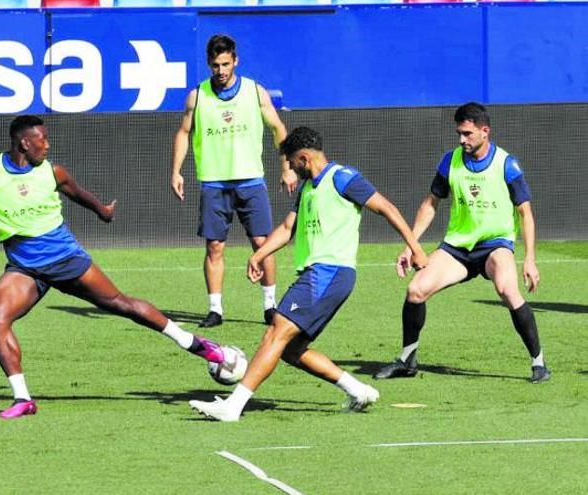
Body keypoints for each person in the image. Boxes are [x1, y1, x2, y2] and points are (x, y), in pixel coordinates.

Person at [0, 115, 239, 419]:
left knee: (123, 305)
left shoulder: (52, 171)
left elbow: (78, 193)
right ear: (24, 143)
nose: (47, 144)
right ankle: (23, 398)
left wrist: (103, 211)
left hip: (67, 261)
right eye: (42, 138)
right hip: (24, 268)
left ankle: (197, 344)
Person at [189, 127, 429, 422]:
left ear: (303, 157)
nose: (290, 168)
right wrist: (260, 255)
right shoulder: (306, 189)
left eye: (291, 162)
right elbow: (288, 228)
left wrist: (414, 247)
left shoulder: (342, 178)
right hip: (318, 275)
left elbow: (386, 208)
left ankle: (233, 406)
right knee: (291, 350)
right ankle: (357, 389)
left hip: (329, 273)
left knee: (274, 333)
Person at [374, 102, 550, 383]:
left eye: (467, 134)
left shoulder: (507, 164)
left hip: (495, 245)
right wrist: (411, 244)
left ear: (485, 131)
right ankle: (407, 360)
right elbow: (431, 203)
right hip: (458, 248)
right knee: (416, 290)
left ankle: (538, 363)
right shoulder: (450, 160)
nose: (462, 139)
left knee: (507, 289)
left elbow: (525, 212)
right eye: (459, 133)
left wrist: (529, 258)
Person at [171, 34, 294, 329]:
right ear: (209, 64)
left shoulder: (255, 92)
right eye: (215, 65)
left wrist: (287, 167)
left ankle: (270, 305)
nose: (221, 70)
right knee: (214, 246)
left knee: (262, 243)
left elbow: (278, 129)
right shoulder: (197, 96)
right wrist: (176, 171)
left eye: (226, 64)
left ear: (235, 61)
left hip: (251, 181)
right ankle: (215, 309)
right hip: (214, 183)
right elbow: (183, 133)